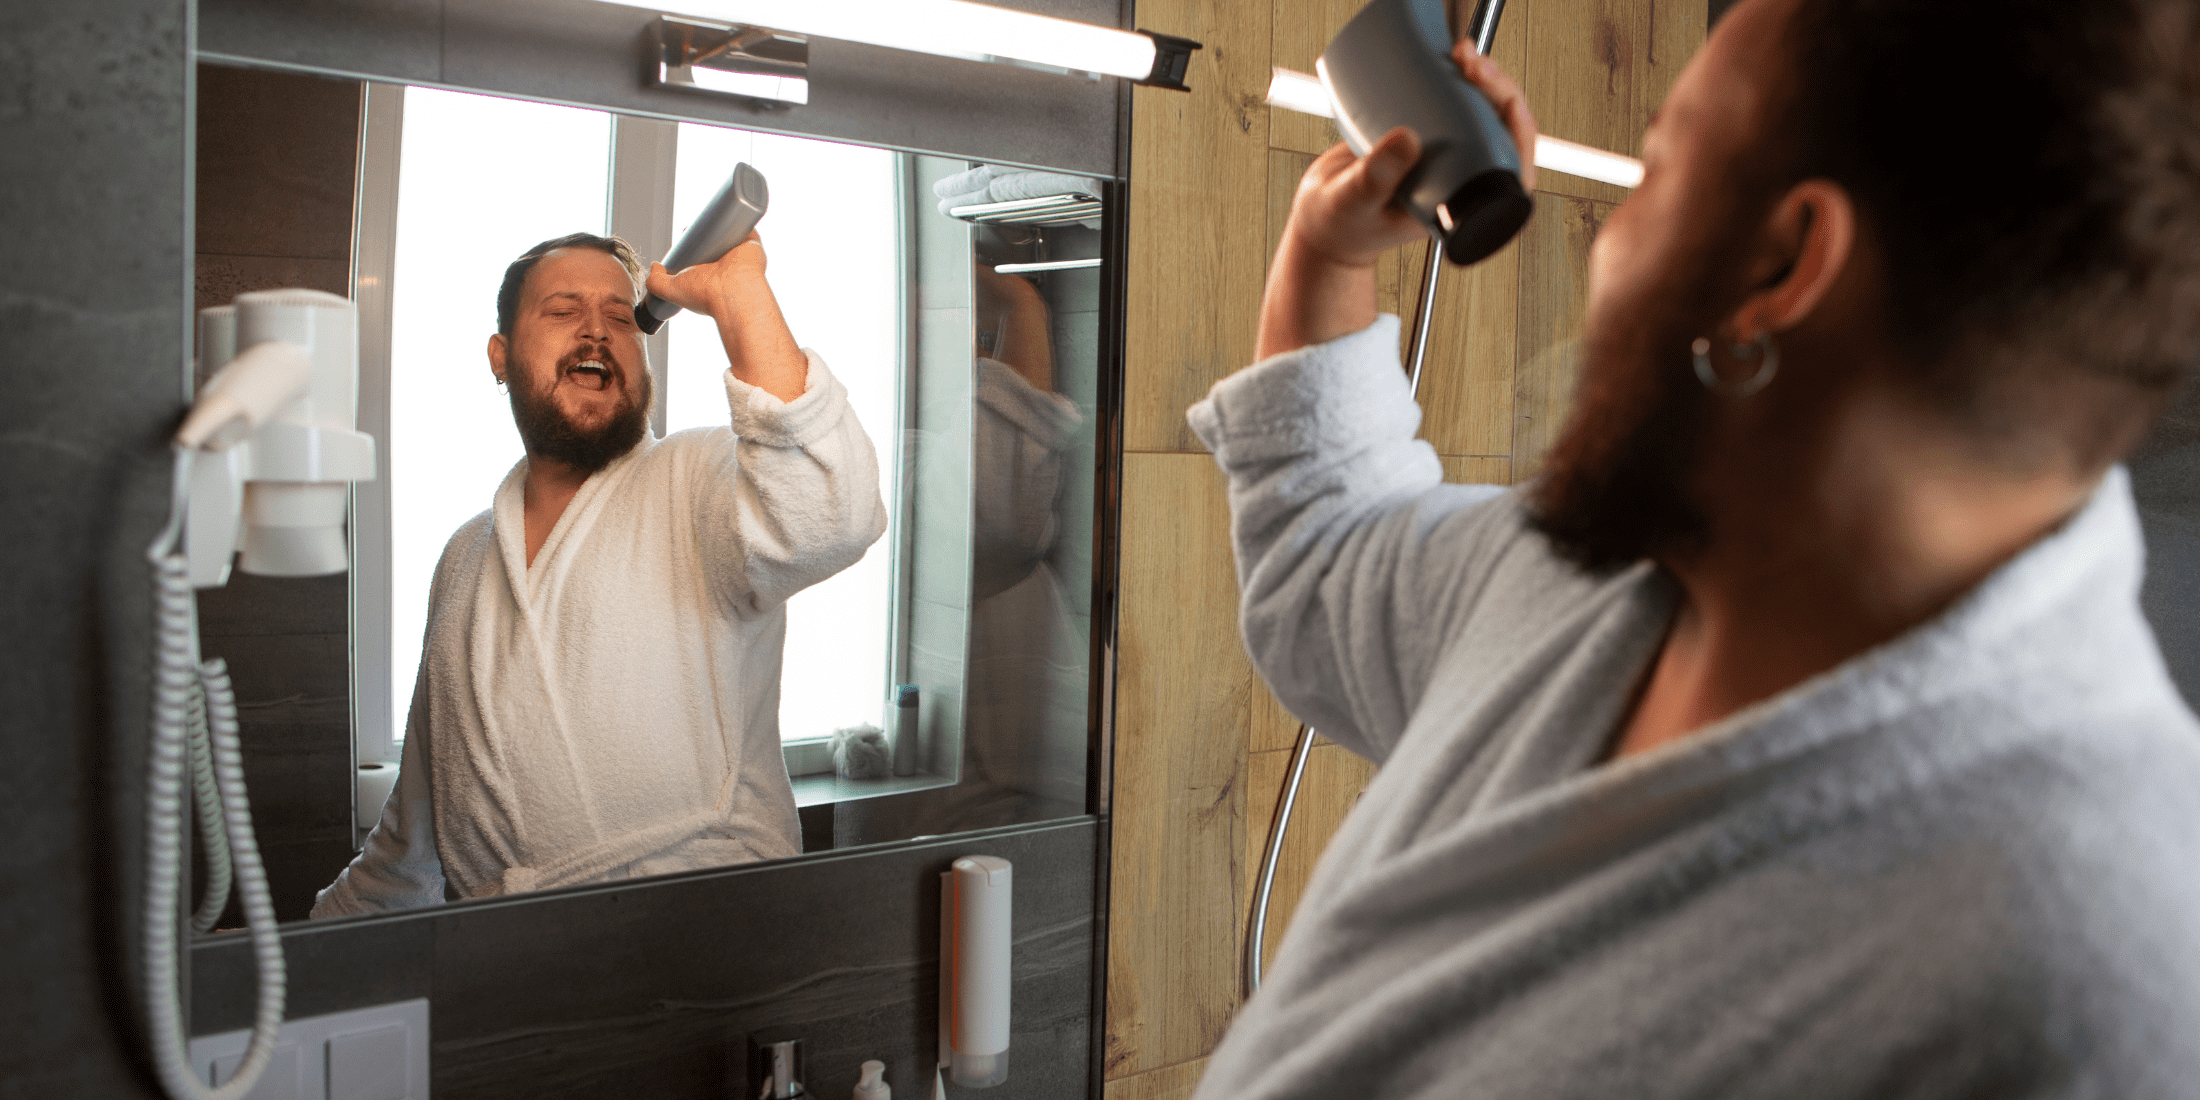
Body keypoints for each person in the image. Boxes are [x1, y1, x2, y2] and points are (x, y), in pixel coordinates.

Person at [1189, 0, 2200, 1096]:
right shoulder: (1598, 576)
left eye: (1659, 166)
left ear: (1783, 263)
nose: (1609, 242)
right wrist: (1324, 249)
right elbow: (1332, 557)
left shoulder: (2097, 984)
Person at [313, 231, 886, 914]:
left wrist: (743, 303)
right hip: (508, 970)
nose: (595, 331)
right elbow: (414, 837)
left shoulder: (697, 480)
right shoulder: (466, 559)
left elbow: (830, 514)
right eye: (562, 311)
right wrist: (293, 955)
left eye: (621, 317)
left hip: (709, 945)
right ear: (501, 357)